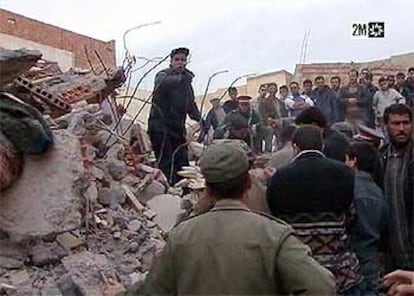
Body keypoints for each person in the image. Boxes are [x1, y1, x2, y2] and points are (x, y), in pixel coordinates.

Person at [142, 142, 336, 295]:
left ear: (207, 189)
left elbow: (153, 290)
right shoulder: (274, 235)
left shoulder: (181, 236)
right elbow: (321, 286)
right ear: (249, 182)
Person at [267, 125, 362, 294]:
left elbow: (276, 221)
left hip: (299, 270)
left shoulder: (279, 178)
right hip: (339, 270)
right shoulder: (344, 173)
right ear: (322, 146)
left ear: (295, 147)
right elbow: (352, 216)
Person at [148, 47, 202, 185]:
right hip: (160, 127)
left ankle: (184, 192)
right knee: (166, 163)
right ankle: (167, 193)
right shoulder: (162, 75)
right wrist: (183, 78)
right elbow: (163, 84)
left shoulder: (186, 83)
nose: (180, 63)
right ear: (171, 61)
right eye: (177, 60)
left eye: (183, 60)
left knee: (182, 163)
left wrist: (201, 120)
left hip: (177, 128)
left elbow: (190, 105)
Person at [345, 142, 387, 295]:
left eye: (346, 159)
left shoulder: (349, 187)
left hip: (353, 257)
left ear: (354, 160)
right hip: (372, 258)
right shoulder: (378, 191)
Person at [380, 104, 413, 271]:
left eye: (406, 123)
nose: (402, 128)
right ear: (386, 126)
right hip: (392, 251)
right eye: (396, 123)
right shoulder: (381, 157)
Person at [258, 83, 284, 152]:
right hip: (270, 123)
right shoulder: (263, 102)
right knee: (271, 130)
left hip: (281, 122)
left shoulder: (280, 102)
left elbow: (284, 114)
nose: (273, 91)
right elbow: (263, 116)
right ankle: (268, 151)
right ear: (268, 90)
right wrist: (272, 122)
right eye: (271, 89)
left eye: (274, 89)